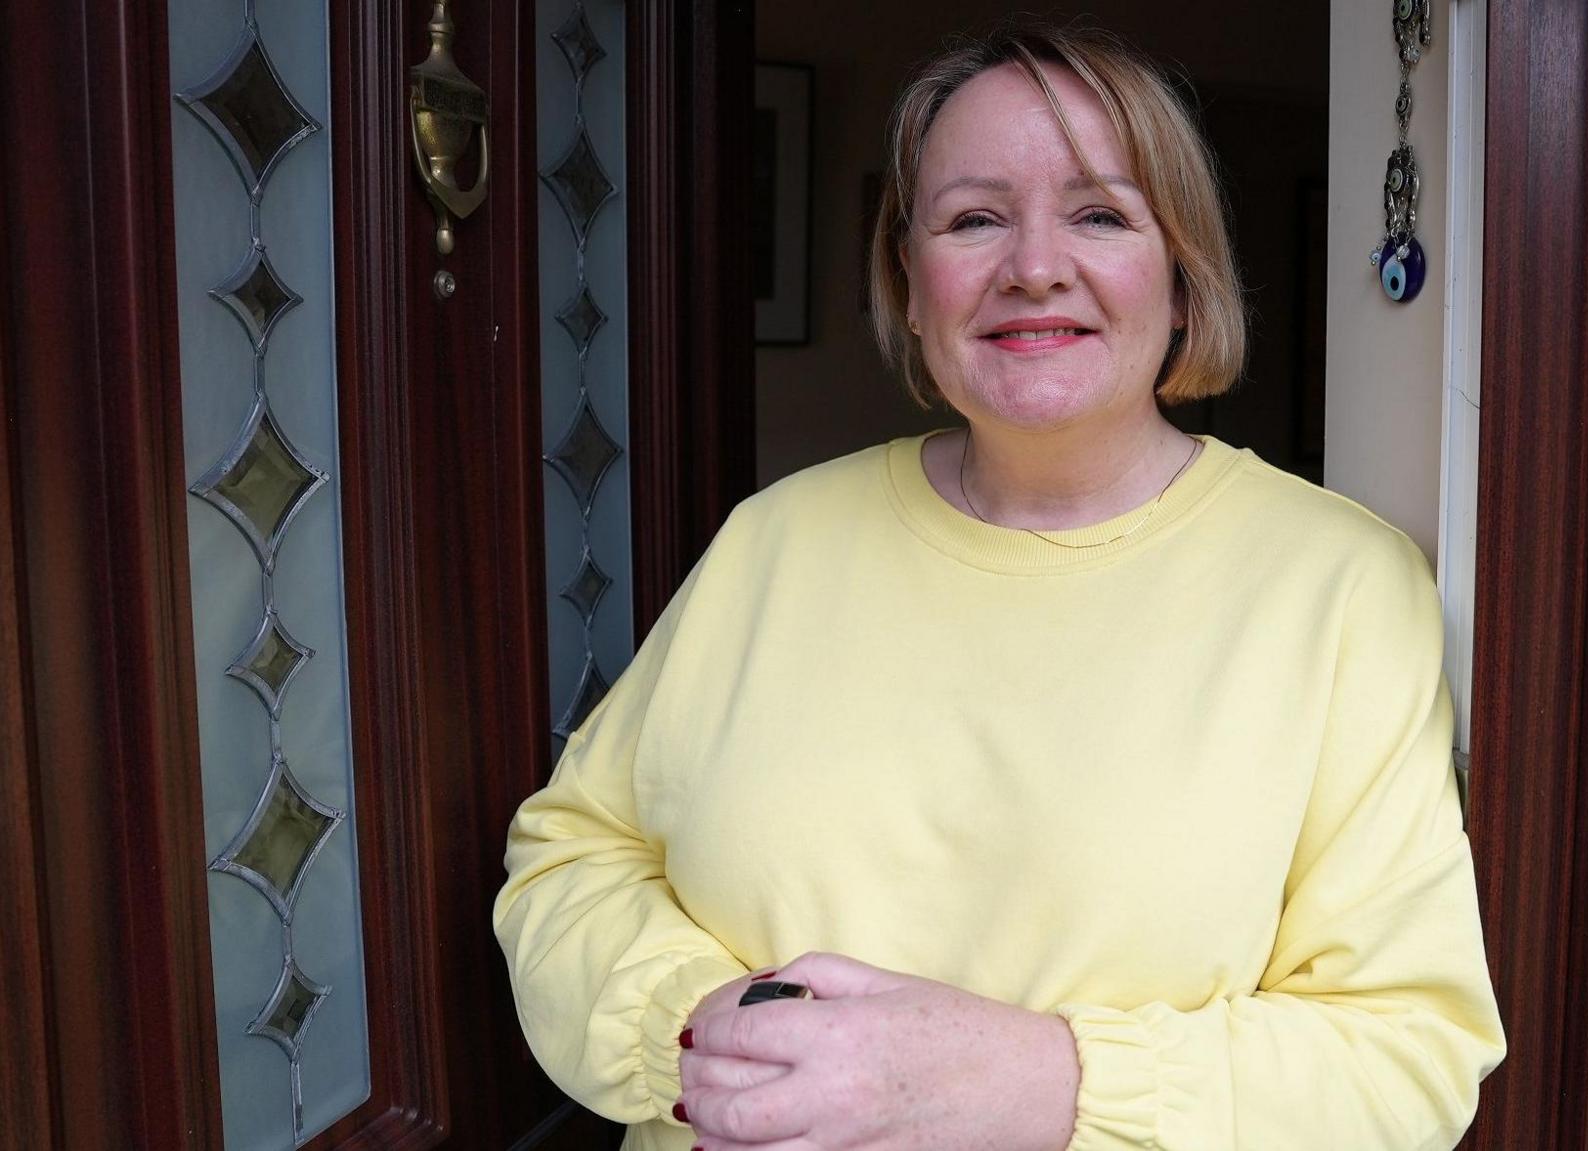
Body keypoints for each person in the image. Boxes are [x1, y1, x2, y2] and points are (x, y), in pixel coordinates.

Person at [494, 22, 1506, 1151]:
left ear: (1180, 279)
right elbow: (574, 857)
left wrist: (1038, 1081)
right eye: (973, 218)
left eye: (1100, 213)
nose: (1032, 266)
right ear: (912, 289)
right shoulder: (771, 539)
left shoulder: (1340, 588)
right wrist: (696, 1033)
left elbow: (1402, 1052)